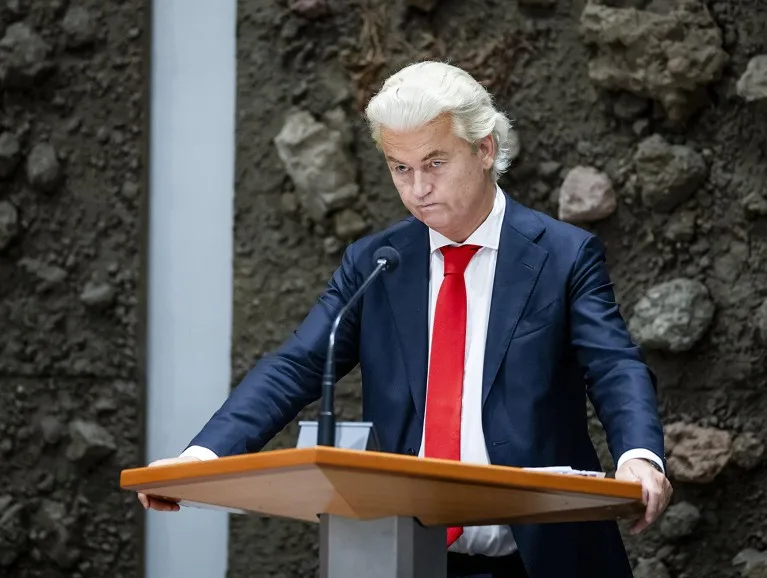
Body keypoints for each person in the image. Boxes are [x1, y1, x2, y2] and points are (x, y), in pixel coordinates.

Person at [139, 61, 672, 578]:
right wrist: (200, 457)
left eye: (435, 163)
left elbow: (614, 366)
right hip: (402, 554)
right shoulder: (376, 264)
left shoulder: (563, 255)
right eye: (401, 168)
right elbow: (297, 365)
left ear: (484, 149)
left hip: (541, 554)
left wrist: (639, 456)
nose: (417, 188)